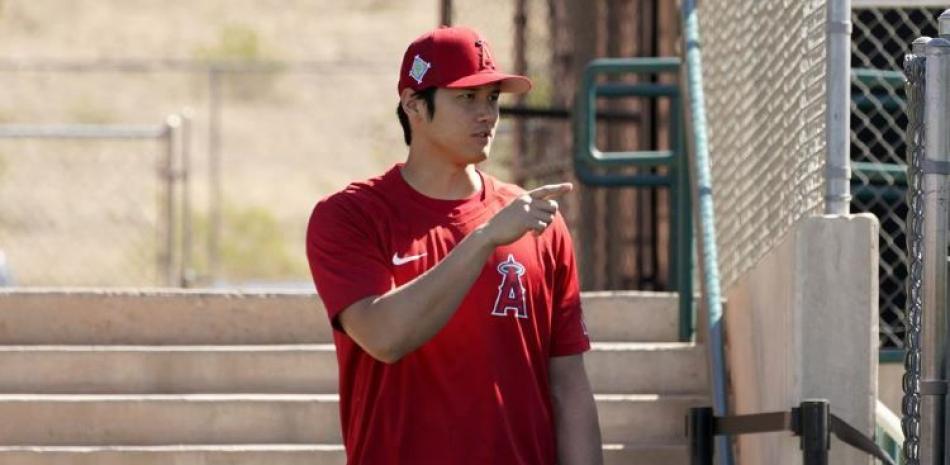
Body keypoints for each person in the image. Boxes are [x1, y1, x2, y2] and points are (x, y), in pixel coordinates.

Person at [306, 25, 602, 465]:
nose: (487, 115)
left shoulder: (537, 223)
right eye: (466, 98)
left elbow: (568, 386)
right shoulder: (350, 217)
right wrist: (483, 239)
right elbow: (384, 337)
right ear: (413, 104)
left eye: (492, 98)